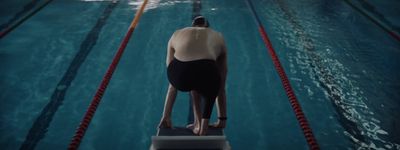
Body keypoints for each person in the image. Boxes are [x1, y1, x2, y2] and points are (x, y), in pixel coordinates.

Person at [158, 16, 228, 135]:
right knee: (207, 80)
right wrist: (222, 119)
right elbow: (221, 85)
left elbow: (170, 71)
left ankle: (169, 119)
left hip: (179, 76)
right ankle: (203, 125)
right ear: (208, 28)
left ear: (192, 26)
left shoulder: (177, 33)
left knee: (193, 83)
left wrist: (166, 115)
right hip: (208, 72)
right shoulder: (218, 36)